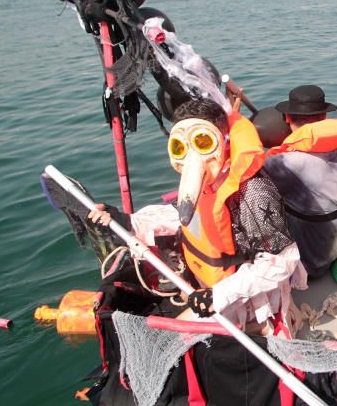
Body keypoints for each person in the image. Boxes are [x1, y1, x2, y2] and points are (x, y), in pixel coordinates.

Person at [89, 97, 306, 333]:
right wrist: (129, 221)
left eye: (203, 142)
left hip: (247, 295)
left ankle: (262, 330)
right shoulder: (209, 182)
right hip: (208, 282)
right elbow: (183, 217)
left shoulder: (253, 190)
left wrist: (219, 295)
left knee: (172, 340)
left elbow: (282, 261)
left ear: (224, 143)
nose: (193, 158)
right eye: (181, 147)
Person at [261, 85, 337, 279]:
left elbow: (245, 173)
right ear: (323, 118)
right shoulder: (332, 147)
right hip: (336, 238)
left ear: (287, 118)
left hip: (312, 264)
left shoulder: (285, 162)